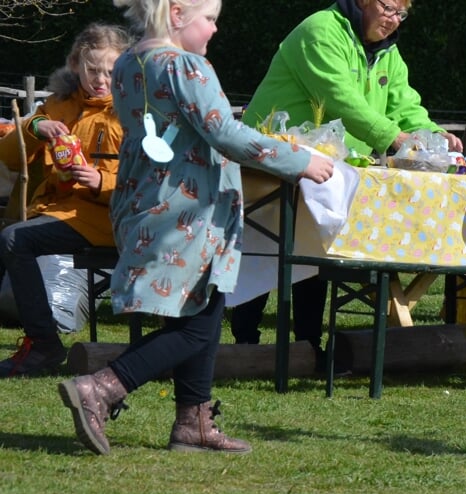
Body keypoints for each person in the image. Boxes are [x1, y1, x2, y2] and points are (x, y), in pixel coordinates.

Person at [57, 0, 333, 456]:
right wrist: (300, 161)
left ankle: (193, 422)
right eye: (210, 19)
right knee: (199, 324)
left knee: (197, 311)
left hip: (143, 199)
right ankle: (102, 388)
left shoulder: (129, 63)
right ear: (178, 14)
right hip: (191, 209)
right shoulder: (187, 66)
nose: (215, 30)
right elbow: (224, 132)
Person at [228, 0, 461, 353]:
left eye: (401, 14)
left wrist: (432, 134)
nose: (393, 20)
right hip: (271, 160)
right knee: (264, 247)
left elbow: (404, 105)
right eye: (388, 8)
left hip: (328, 170)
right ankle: (245, 342)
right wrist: (394, 139)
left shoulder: (387, 53)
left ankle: (307, 345)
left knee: (315, 250)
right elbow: (339, 99)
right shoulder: (319, 30)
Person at [0, 23, 131, 377]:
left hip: (109, 221)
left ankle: (43, 345)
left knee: (14, 239)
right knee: (13, 238)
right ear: (76, 65)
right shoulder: (60, 104)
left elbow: (152, 183)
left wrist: (101, 180)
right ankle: (41, 342)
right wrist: (33, 126)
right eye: (92, 70)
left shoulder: (132, 112)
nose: (101, 80)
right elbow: (9, 158)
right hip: (57, 213)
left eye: (111, 72)